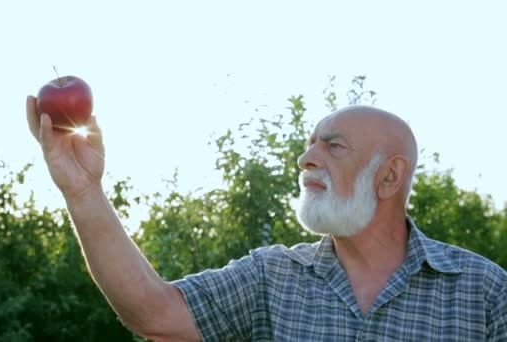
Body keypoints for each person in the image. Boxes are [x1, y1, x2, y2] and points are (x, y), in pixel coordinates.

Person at [26, 97, 507, 341]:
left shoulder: (485, 293)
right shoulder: (271, 277)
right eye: (310, 143)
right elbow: (154, 314)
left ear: (389, 177)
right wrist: (83, 190)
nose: (305, 158)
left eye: (332, 146)